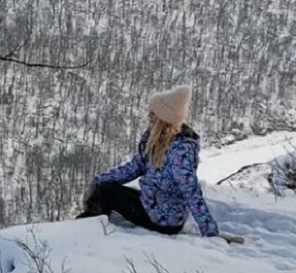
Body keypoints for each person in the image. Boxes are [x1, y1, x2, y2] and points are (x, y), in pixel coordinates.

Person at [78, 84, 220, 238]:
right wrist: (99, 179)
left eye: (153, 113)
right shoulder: (154, 138)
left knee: (105, 192)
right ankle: (94, 222)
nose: (149, 115)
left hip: (164, 222)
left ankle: (89, 229)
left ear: (165, 117)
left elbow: (191, 191)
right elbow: (134, 168)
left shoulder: (179, 150)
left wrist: (210, 231)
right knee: (105, 187)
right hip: (154, 206)